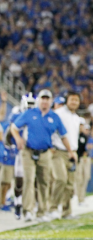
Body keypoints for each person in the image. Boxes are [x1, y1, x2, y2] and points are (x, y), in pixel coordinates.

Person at [11, 90, 77, 223]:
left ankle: (42, 211)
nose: (45, 101)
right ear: (38, 100)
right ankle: (28, 211)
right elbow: (14, 127)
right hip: (28, 151)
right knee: (29, 181)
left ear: (51, 101)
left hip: (45, 152)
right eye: (43, 98)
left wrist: (70, 151)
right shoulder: (30, 113)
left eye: (47, 99)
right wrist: (18, 139)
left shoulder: (54, 117)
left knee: (44, 182)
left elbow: (63, 135)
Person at [49, 92, 83, 220]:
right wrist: (51, 145)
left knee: (69, 184)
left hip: (72, 152)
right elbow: (50, 129)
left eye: (76, 100)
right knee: (60, 179)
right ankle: (52, 208)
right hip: (58, 151)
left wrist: (74, 151)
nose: (74, 102)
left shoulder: (76, 117)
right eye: (72, 100)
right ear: (66, 101)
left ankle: (66, 211)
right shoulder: (58, 114)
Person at [5, 93, 35, 219]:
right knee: (20, 181)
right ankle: (18, 204)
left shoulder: (37, 115)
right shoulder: (17, 115)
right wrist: (11, 145)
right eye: (29, 104)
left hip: (34, 151)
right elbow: (9, 133)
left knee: (34, 181)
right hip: (20, 152)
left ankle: (32, 206)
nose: (31, 107)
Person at [75, 124, 93, 206]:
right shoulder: (75, 135)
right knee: (79, 179)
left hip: (84, 159)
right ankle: (78, 196)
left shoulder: (85, 137)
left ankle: (82, 196)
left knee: (86, 177)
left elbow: (85, 150)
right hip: (78, 159)